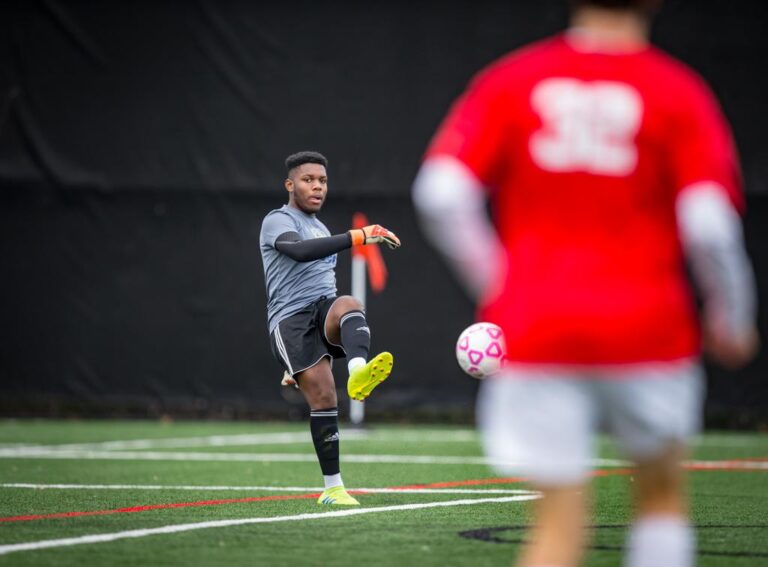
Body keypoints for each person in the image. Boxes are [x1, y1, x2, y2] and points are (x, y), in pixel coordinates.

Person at [413, 1, 759, 566]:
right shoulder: (678, 91)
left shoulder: (512, 80)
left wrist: (500, 282)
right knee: (661, 497)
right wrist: (732, 315)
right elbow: (709, 225)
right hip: (649, 329)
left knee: (555, 526)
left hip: (539, 327)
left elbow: (441, 192)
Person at [260, 150, 400, 505]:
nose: (317, 187)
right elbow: (301, 252)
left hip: (321, 308)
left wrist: (338, 320)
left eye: (322, 181)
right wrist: (358, 236)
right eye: (308, 180)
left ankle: (358, 371)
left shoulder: (321, 226)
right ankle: (333, 488)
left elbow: (324, 284)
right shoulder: (276, 220)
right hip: (290, 321)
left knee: (350, 304)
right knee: (323, 398)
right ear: (290, 184)